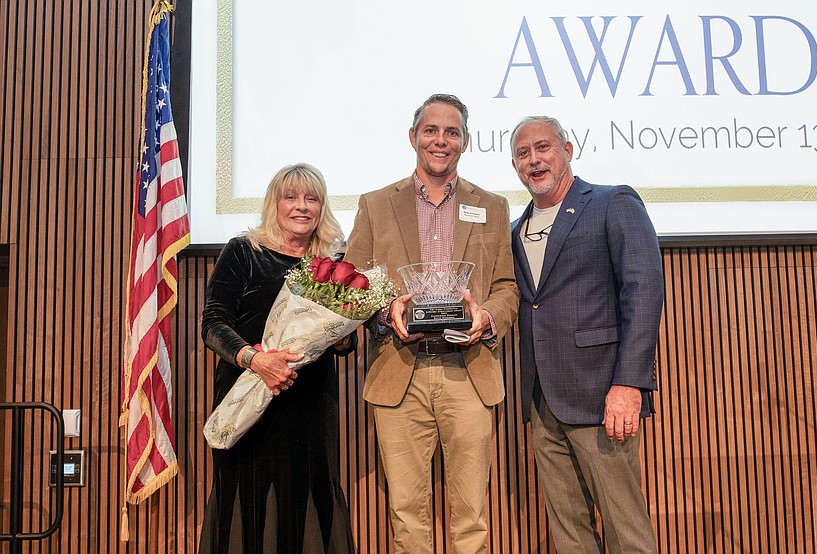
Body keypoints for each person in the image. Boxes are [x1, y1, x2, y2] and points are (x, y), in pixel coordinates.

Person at [344, 93, 518, 553]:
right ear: (413, 136)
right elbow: (352, 283)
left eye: (452, 132)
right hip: (399, 370)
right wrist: (386, 311)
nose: (441, 140)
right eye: (431, 130)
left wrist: (486, 316)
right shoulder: (376, 204)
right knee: (407, 517)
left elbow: (507, 287)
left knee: (471, 519)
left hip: (470, 371)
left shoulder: (494, 207)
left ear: (465, 142)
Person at [508, 116, 664, 554]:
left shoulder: (612, 202)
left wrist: (629, 383)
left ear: (568, 150)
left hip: (602, 397)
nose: (534, 159)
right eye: (523, 154)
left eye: (543, 147)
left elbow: (645, 290)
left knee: (626, 529)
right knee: (569, 532)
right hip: (542, 402)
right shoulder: (515, 229)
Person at [198, 163, 357, 554]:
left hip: (310, 405)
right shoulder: (243, 251)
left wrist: (336, 337)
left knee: (308, 496)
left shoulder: (333, 263)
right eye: (291, 197)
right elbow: (213, 323)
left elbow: (346, 343)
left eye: (311, 198)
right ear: (275, 203)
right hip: (249, 397)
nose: (301, 206)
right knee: (249, 501)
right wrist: (256, 360)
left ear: (322, 207)